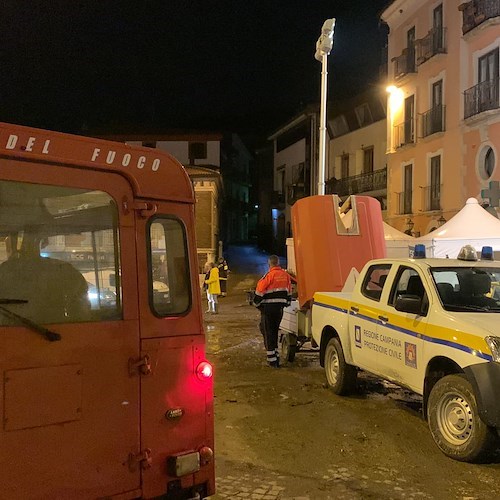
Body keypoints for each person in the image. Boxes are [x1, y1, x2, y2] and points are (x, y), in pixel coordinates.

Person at [253, 255, 292, 368]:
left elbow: (260, 290)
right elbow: (289, 292)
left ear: (269, 264)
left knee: (267, 331)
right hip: (280, 309)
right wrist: (286, 303)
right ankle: (275, 355)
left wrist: (256, 303)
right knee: (274, 332)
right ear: (278, 263)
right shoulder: (286, 276)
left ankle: (272, 360)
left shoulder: (269, 275)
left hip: (268, 309)